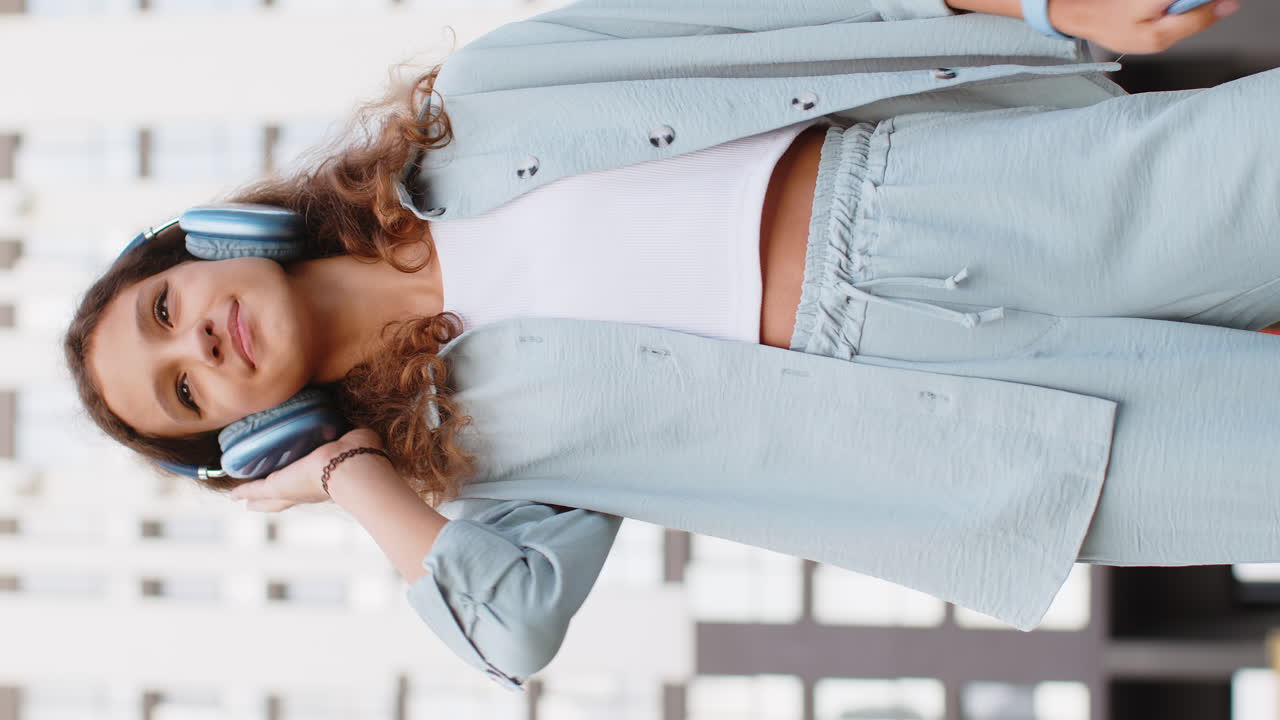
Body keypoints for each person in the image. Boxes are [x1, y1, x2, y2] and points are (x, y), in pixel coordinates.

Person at [62, 0, 1271, 691]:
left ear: (207, 242)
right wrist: (341, 471)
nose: (201, 351)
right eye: (187, 395)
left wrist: (1040, 9)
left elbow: (784, 18)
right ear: (245, 433)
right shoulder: (474, 465)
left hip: (976, 194)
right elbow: (509, 633)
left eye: (164, 312)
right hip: (975, 441)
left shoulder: (482, 98)